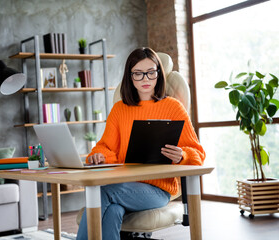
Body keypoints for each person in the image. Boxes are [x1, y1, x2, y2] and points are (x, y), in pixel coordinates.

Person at [76, 47, 206, 240]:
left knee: (101, 191)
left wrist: (183, 155)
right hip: (123, 184)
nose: (145, 79)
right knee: (113, 211)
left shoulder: (173, 107)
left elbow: (198, 153)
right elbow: (106, 147)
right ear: (130, 77)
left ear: (158, 74)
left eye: (151, 73)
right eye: (138, 73)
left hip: (157, 189)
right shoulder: (119, 109)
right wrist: (99, 155)